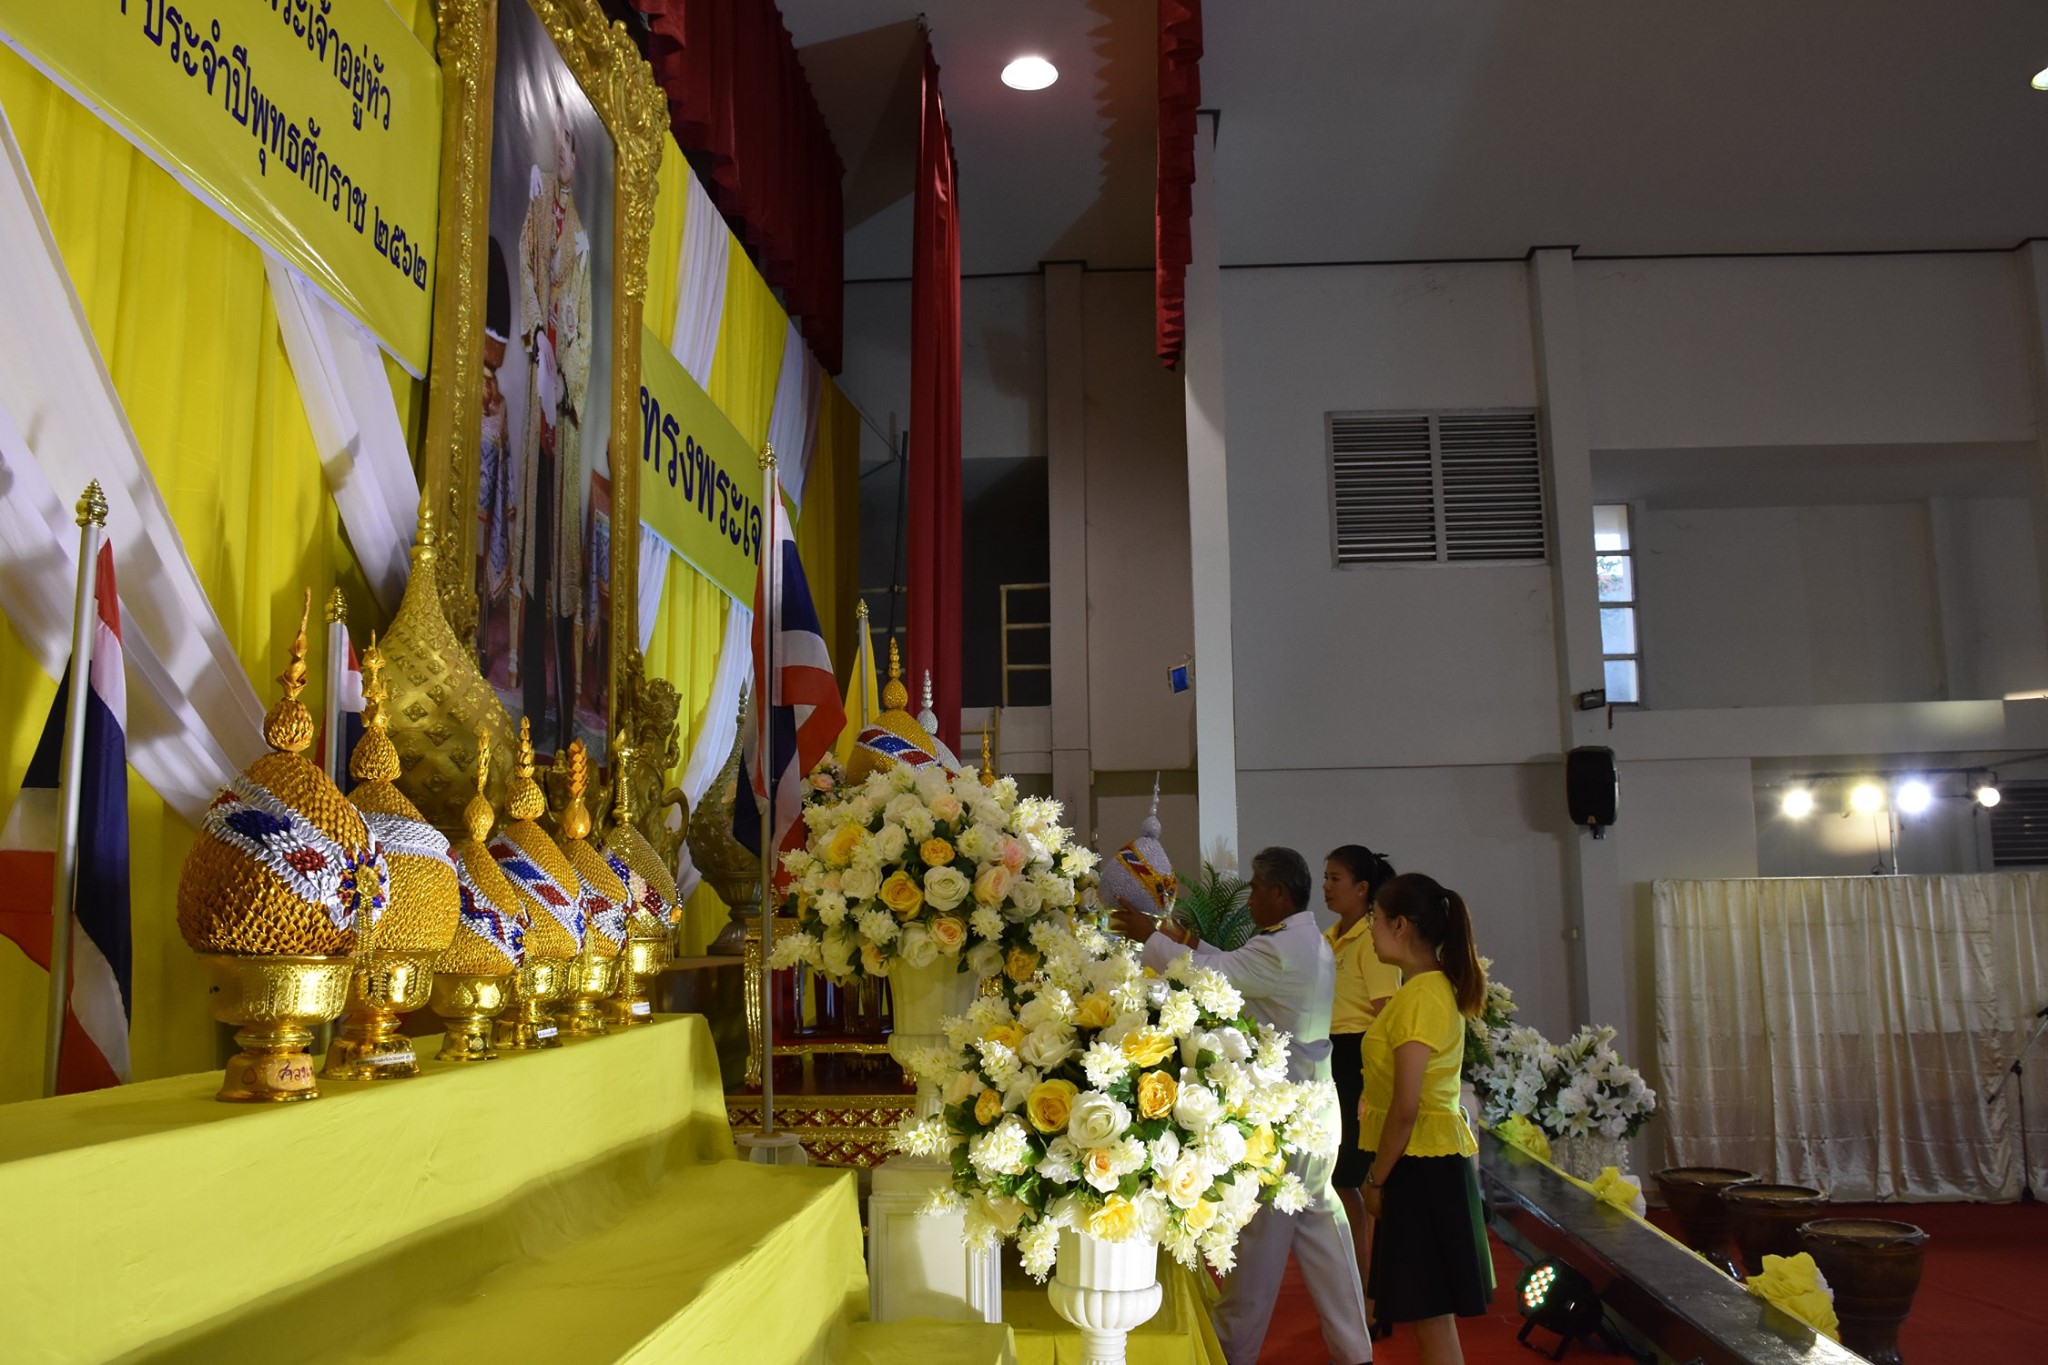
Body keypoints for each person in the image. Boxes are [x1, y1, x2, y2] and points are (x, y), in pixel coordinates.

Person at [1111, 846, 1373, 1365]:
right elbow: (1232, 965)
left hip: (1289, 1114)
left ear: (1279, 892)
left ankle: (1233, 1352)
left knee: (1261, 1240)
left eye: (1255, 887)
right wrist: (1184, 939)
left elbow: (1214, 977)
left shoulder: (1283, 949)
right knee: (1320, 1232)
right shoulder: (1301, 939)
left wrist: (1151, 938)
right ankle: (1353, 1351)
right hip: (1313, 1108)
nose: (1249, 897)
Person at [1358, 872, 1494, 1365]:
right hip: (1423, 1163)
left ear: (1400, 925)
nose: (1371, 932)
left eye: (1375, 920)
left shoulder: (1421, 994)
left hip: (1420, 1166)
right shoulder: (1423, 989)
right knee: (1429, 1316)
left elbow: (1407, 1107)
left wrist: (1376, 1179)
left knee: (1431, 1315)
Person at [514, 115, 593, 754]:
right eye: (558, 142)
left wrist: (566, 378)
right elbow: (525, 267)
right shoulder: (538, 206)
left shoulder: (583, 238)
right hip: (537, 397)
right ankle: (529, 716)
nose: (562, 153)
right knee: (535, 569)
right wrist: (538, 332)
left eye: (571, 145)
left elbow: (586, 330)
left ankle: (564, 723)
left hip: (561, 414)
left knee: (563, 576)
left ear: (577, 158)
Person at [1324, 845, 1401, 1312]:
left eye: (1336, 878)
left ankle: (1371, 1292)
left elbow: (1387, 1018)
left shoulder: (1372, 940)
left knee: (1351, 1179)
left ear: (1362, 888)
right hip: (1332, 1059)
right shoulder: (1330, 936)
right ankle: (1359, 1284)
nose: (1327, 886)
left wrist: (1373, 1087)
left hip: (1360, 1061)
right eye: (1326, 877)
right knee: (1339, 1178)